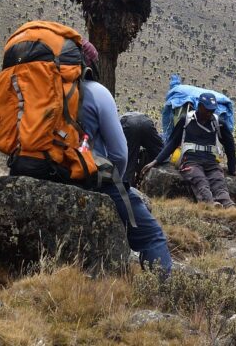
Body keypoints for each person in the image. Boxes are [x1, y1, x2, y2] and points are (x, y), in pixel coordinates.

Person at [11, 40, 173, 272]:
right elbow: (119, 153)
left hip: (33, 172)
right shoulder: (97, 92)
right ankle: (164, 293)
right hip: (86, 180)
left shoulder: (33, 91)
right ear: (88, 64)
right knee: (151, 236)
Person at [142, 92, 236, 206]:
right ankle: (210, 205)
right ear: (200, 106)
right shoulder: (186, 120)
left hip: (212, 163)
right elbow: (172, 142)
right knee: (200, 180)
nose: (210, 113)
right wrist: (156, 161)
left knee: (218, 182)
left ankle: (229, 206)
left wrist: (232, 169)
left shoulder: (219, 124)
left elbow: (230, 147)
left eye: (212, 110)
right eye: (207, 109)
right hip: (191, 161)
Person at [120, 112, 164, 188]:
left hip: (128, 124)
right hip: (146, 121)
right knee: (160, 154)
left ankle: (128, 190)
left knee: (129, 162)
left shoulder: (119, 120)